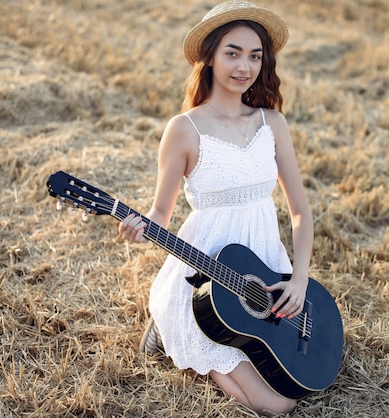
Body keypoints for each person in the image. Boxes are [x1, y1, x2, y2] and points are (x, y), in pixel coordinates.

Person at [119, 1, 313, 416]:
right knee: (278, 405)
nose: (244, 66)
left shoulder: (272, 124)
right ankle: (175, 329)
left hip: (262, 276)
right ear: (209, 56)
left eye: (255, 55)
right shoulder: (184, 130)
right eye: (232, 52)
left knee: (306, 374)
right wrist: (139, 227)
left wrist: (298, 280)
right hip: (202, 284)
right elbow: (160, 214)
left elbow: (300, 211)